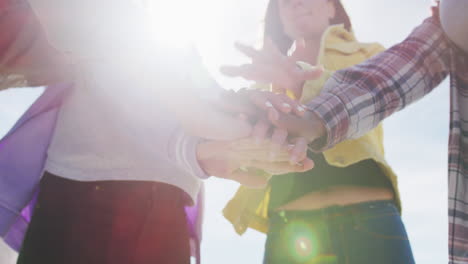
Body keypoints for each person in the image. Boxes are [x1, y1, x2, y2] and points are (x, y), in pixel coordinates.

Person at [0, 1, 313, 264]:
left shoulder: (169, 37)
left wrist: (251, 106)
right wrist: (209, 137)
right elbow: (188, 110)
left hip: (163, 208)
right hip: (84, 198)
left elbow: (203, 98)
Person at [224, 0, 468, 262]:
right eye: (284, 3)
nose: (296, 3)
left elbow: (372, 92)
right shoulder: (263, 80)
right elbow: (246, 159)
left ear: (332, 8)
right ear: (280, 20)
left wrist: (301, 86)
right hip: (292, 227)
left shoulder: (368, 52)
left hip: (371, 218)